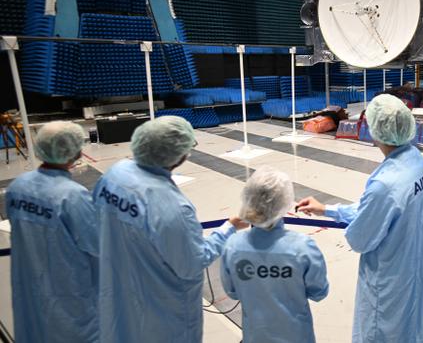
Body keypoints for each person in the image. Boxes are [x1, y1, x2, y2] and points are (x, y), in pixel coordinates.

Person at [297, 94, 423, 343]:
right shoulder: (421, 166)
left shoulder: (385, 183)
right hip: (417, 275)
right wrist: (328, 210)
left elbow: (360, 238)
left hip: (390, 288)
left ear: (375, 130)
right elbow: (379, 211)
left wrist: (349, 221)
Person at [93, 116, 247, 342]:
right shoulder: (172, 207)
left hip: (117, 293)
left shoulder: (115, 174)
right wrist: (229, 228)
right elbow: (192, 262)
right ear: (179, 155)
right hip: (160, 313)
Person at [5, 121, 98, 342]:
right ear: (75, 152)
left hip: (30, 286)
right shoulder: (72, 196)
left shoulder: (18, 186)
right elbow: (97, 245)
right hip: (70, 296)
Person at [220, 166, 329, 343]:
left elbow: (232, 292)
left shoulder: (233, 246)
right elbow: (319, 291)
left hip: (255, 336)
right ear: (285, 203)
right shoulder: (303, 247)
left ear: (249, 201)